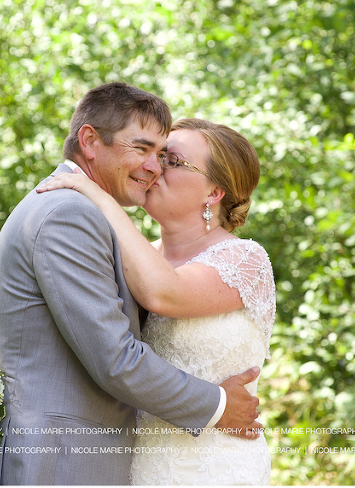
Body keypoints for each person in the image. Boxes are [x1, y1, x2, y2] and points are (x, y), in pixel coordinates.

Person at [0, 84, 262, 486]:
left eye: (166, 157)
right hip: (52, 462)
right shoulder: (69, 213)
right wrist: (218, 406)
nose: (154, 167)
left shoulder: (226, 258)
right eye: (145, 150)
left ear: (215, 191)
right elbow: (115, 359)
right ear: (89, 141)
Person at [37, 117, 276, 485]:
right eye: (156, 155)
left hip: (215, 464)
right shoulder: (138, 257)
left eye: (173, 161)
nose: (152, 167)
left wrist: (98, 195)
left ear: (213, 192)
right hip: (140, 465)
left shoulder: (245, 261)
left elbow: (164, 293)